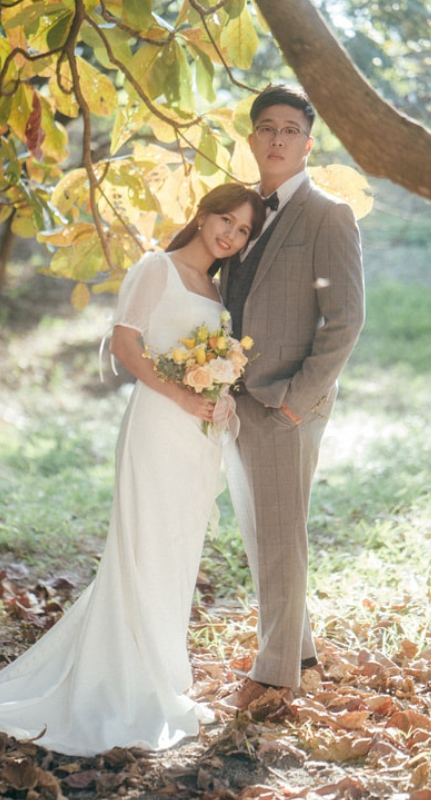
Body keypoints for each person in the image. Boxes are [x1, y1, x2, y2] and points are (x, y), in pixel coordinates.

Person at [0, 184, 265, 756]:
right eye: (226, 220)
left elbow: (213, 365)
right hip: (157, 425)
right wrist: (183, 396)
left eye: (242, 231)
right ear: (202, 213)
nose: (230, 235)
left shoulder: (215, 288)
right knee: (140, 549)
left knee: (177, 550)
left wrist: (218, 399)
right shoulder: (156, 268)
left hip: (197, 438)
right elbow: (125, 346)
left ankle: (159, 672)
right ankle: (120, 681)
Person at [218, 84, 365, 709]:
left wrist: (297, 401)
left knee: (281, 536)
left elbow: (346, 319)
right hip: (237, 398)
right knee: (260, 530)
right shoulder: (240, 210)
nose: (277, 139)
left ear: (308, 143)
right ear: (253, 139)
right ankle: (298, 647)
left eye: (289, 130)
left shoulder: (329, 214)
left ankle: (276, 675)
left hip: (287, 403)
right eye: (266, 128)